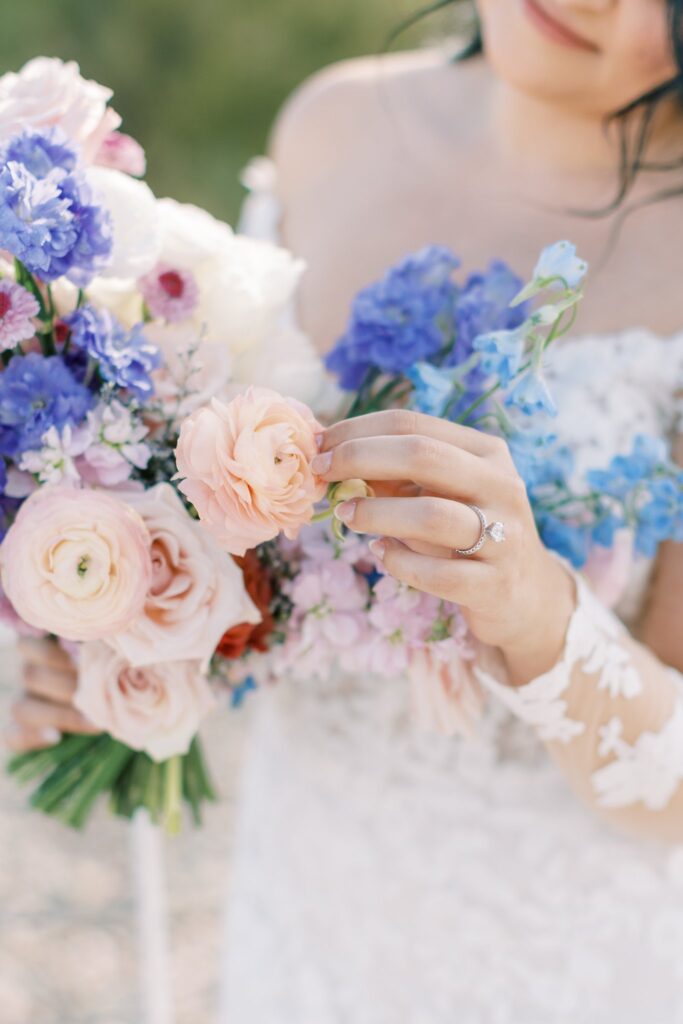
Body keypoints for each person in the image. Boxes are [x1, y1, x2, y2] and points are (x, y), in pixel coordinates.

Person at [9, 2, 683, 1020]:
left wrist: (544, 621)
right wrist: (123, 635)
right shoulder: (331, 125)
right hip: (304, 921)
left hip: (565, 960)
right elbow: (234, 539)